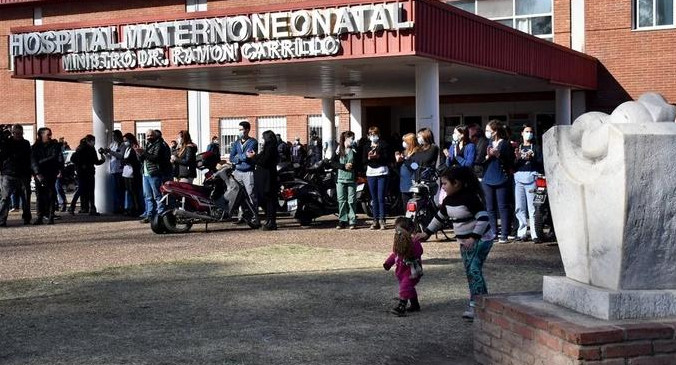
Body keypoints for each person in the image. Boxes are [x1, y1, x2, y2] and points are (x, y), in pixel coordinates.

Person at [415, 166, 494, 321]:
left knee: (474, 270)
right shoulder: (448, 201)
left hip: (481, 240)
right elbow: (439, 218)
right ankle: (482, 302)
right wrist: (426, 233)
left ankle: (476, 305)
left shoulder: (471, 198)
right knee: (471, 272)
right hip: (464, 242)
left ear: (456, 183)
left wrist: (473, 237)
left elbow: (484, 219)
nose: (442, 187)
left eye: (444, 184)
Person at [481, 120, 515, 244]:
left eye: (489, 130)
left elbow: (511, 162)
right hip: (487, 178)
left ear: (495, 131)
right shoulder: (486, 143)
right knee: (490, 207)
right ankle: (493, 232)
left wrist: (498, 154)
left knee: (503, 206)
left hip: (501, 177)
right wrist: (487, 156)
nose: (487, 133)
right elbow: (479, 160)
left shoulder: (505, 144)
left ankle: (504, 234)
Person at [383, 217, 423, 317]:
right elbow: (395, 254)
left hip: (412, 272)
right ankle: (415, 304)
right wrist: (388, 263)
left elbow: (419, 251)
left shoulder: (413, 242)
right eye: (396, 230)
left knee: (405, 288)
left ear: (409, 230)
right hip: (401, 271)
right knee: (409, 288)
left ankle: (401, 306)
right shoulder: (399, 243)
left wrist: (410, 253)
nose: (398, 233)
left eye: (400, 230)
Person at [513, 125, 543, 243]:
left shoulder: (536, 147)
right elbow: (513, 165)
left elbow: (541, 163)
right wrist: (517, 158)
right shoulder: (517, 148)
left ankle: (535, 234)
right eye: (526, 131)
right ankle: (522, 233)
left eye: (531, 132)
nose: (528, 134)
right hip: (519, 178)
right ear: (522, 133)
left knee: (532, 207)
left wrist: (533, 159)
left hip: (532, 177)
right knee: (520, 207)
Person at [0, 124, 33, 226]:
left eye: (20, 133)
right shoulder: (7, 143)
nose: (18, 135)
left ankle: (26, 218)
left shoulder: (26, 143)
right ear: (13, 133)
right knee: (5, 197)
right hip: (8, 173)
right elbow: (3, 156)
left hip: (22, 174)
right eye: (16, 133)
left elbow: (29, 158)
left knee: (26, 198)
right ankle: (2, 219)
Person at [31, 127, 64, 225]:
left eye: (50, 134)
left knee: (51, 195)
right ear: (41, 135)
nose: (50, 136)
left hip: (50, 172)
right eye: (48, 134)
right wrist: (37, 173)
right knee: (39, 195)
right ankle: (39, 216)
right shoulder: (35, 147)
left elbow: (55, 158)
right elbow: (32, 161)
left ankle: (50, 216)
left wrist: (59, 170)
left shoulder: (54, 145)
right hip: (40, 173)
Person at [229, 121, 259, 225]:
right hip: (237, 172)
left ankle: (254, 216)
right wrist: (239, 158)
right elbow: (231, 157)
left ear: (247, 130)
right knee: (239, 195)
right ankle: (241, 216)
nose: (240, 131)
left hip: (248, 172)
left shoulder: (253, 142)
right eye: (239, 130)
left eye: (241, 129)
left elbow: (249, 155)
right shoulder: (236, 143)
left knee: (251, 194)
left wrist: (239, 157)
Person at [135, 129, 168, 223]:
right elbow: (142, 159)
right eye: (147, 136)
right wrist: (139, 153)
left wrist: (144, 152)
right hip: (145, 173)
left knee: (157, 195)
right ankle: (150, 215)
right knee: (148, 196)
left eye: (150, 135)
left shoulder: (159, 145)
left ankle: (161, 214)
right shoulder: (148, 145)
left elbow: (155, 158)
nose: (149, 138)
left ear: (155, 136)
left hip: (154, 173)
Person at [69, 135, 105, 216]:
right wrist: (102, 159)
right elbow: (95, 161)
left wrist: (80, 166)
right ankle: (91, 208)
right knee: (88, 191)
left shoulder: (82, 148)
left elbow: (73, 159)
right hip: (86, 172)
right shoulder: (87, 149)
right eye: (93, 141)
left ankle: (74, 207)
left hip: (83, 172)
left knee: (82, 190)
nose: (94, 143)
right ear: (90, 141)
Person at [250, 130, 278, 230]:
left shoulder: (270, 147)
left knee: (268, 199)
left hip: (267, 177)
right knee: (264, 199)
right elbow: (262, 157)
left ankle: (271, 222)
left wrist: (253, 158)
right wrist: (255, 156)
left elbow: (264, 161)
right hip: (264, 177)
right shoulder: (268, 147)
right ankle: (269, 220)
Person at [363, 126, 389, 230]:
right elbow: (363, 160)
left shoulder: (383, 145)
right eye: (371, 134)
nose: (373, 136)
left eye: (375, 134)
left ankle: (382, 219)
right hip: (371, 173)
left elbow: (388, 158)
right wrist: (369, 158)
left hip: (382, 172)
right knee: (373, 198)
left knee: (381, 197)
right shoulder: (366, 146)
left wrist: (378, 156)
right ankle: (375, 220)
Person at [331, 131, 358, 230]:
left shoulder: (355, 150)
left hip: (351, 179)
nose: (352, 140)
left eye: (353, 138)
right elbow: (332, 163)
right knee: (341, 200)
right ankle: (342, 220)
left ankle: (352, 221)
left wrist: (353, 165)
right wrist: (343, 166)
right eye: (351, 138)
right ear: (345, 139)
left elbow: (359, 162)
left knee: (351, 200)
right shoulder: (338, 150)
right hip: (340, 179)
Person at [395, 133, 421, 210]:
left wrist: (405, 160)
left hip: (412, 183)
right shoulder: (405, 152)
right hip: (404, 183)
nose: (404, 143)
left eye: (405, 141)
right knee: (405, 206)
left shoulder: (417, 152)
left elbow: (415, 166)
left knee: (413, 207)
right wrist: (398, 160)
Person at [104, 130, 126, 214]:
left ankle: (122, 207)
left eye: (115, 136)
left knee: (120, 190)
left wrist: (111, 152)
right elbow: (110, 156)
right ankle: (116, 207)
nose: (114, 137)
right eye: (113, 136)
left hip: (120, 170)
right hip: (113, 169)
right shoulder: (112, 144)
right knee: (114, 190)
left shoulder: (123, 145)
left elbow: (120, 156)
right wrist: (106, 152)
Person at [121, 133, 142, 216]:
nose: (125, 142)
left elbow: (133, 160)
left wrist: (126, 160)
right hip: (126, 172)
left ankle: (137, 208)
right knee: (129, 191)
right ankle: (131, 208)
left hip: (133, 172)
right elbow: (124, 158)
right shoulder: (127, 149)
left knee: (134, 192)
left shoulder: (133, 149)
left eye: (126, 141)